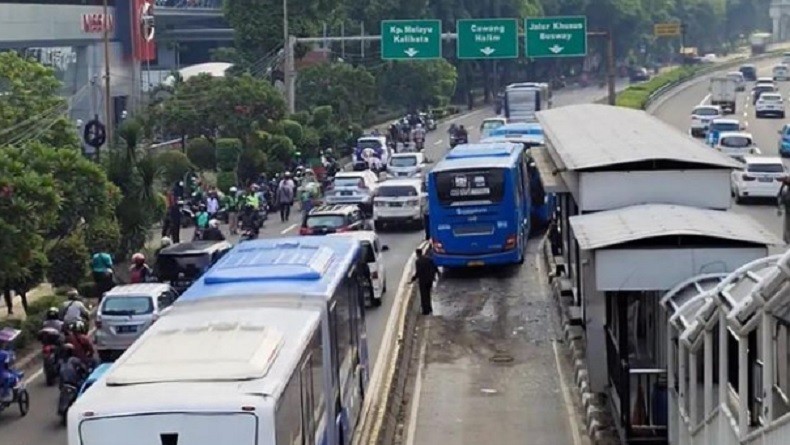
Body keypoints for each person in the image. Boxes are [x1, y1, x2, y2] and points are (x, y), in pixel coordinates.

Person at [409, 248, 439, 315]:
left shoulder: (418, 261)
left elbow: (418, 272)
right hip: (429, 279)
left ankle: (425, 310)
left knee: (423, 295)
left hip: (423, 280)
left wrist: (413, 279)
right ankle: (429, 308)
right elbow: (434, 267)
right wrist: (436, 275)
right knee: (428, 294)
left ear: (417, 254)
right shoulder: (429, 259)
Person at [0, 338, 17, 402]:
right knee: (13, 378)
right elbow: (7, 365)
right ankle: (5, 394)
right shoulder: (5, 354)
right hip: (2, 375)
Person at [778, 177, 790, 243]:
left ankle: (786, 238)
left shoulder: (785, 191)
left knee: (787, 224)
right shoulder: (785, 191)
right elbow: (781, 197)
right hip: (788, 208)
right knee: (787, 224)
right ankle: (786, 238)